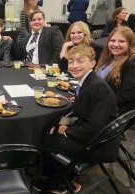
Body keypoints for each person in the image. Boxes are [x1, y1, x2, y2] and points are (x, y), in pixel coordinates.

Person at [40, 45, 119, 193]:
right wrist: (61, 123)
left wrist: (65, 130)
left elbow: (93, 127)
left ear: (92, 63)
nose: (74, 66)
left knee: (43, 138)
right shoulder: (87, 81)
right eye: (71, 61)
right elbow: (84, 113)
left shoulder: (97, 87)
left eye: (80, 61)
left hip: (99, 144)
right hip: (92, 133)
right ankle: (62, 175)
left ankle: (60, 182)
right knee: (52, 125)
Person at [96, 26, 135, 114]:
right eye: (112, 41)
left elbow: (125, 96)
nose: (116, 44)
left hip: (113, 111)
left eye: (121, 41)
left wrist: (97, 102)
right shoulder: (110, 58)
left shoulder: (132, 62)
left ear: (130, 43)